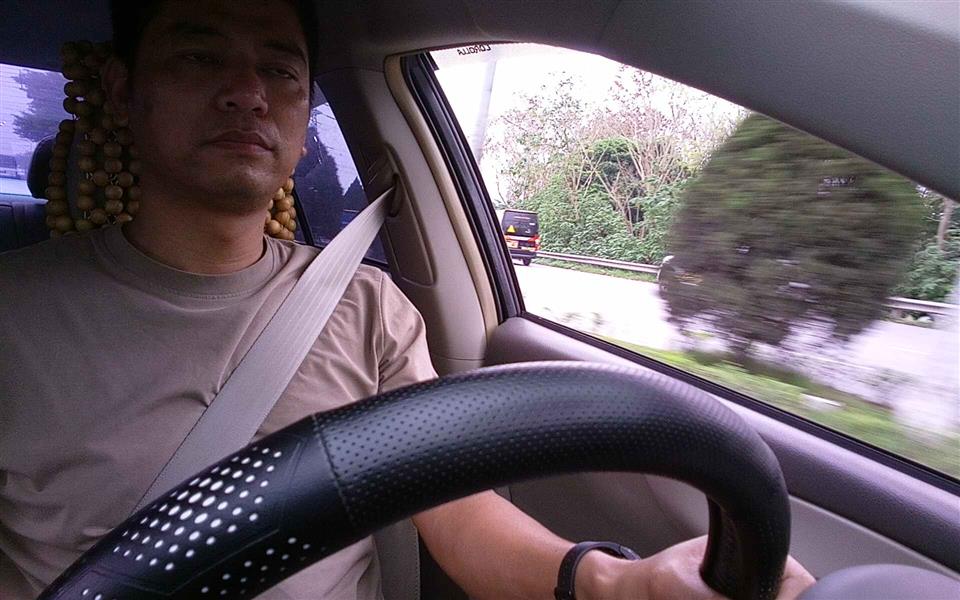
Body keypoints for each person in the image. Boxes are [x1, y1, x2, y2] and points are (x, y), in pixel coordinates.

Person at [0, 1, 815, 598]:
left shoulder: (367, 308)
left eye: (279, 69)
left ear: (301, 114)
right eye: (196, 56)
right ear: (120, 90)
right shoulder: (14, 311)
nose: (246, 91)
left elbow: (459, 515)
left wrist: (614, 585)